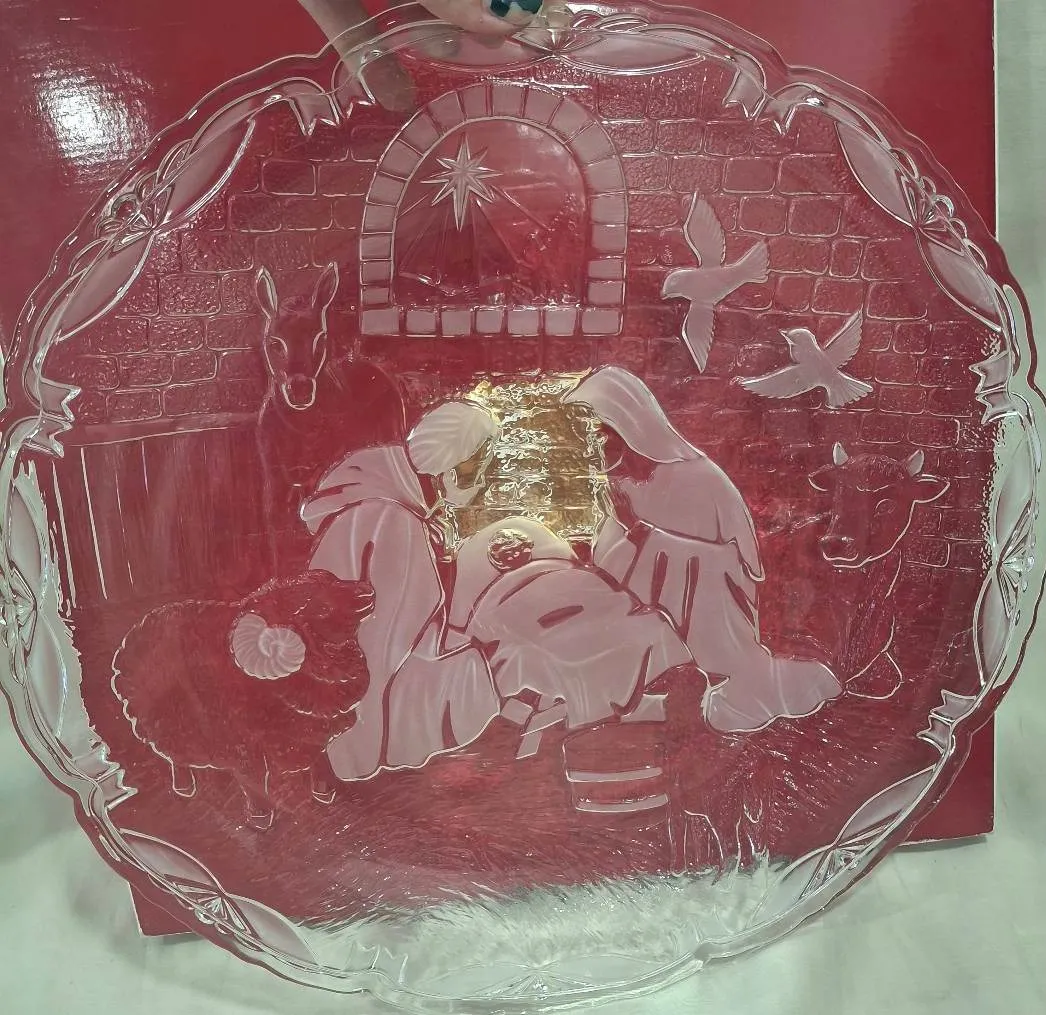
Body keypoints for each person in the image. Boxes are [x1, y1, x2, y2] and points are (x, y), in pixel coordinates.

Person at [564, 366, 842, 732]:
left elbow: (720, 568)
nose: (589, 448)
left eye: (596, 434)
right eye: (583, 437)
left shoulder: (696, 480)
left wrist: (642, 534)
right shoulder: (621, 485)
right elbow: (615, 563)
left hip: (707, 631)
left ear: (627, 426)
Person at [301, 399, 504, 780]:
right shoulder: (393, 521)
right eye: (478, 466)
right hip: (367, 695)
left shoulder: (395, 506)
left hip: (375, 675)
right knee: (484, 670)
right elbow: (383, 651)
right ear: (448, 467)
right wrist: (360, 760)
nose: (484, 480)